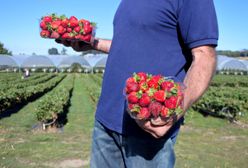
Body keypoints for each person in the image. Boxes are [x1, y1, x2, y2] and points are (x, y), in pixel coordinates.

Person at [56, 0, 218, 167]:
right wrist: (93, 43)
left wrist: (174, 111)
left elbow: (205, 55)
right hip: (106, 120)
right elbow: (126, 45)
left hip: (148, 124)